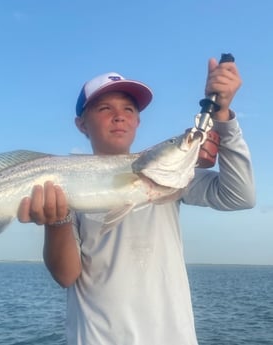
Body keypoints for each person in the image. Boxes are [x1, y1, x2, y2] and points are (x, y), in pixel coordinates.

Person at [17, 58, 256, 345]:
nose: (119, 116)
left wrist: (224, 118)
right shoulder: (67, 182)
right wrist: (56, 221)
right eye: (105, 108)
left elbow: (240, 195)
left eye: (129, 109)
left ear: (138, 122)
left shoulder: (173, 180)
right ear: (81, 124)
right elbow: (67, 276)